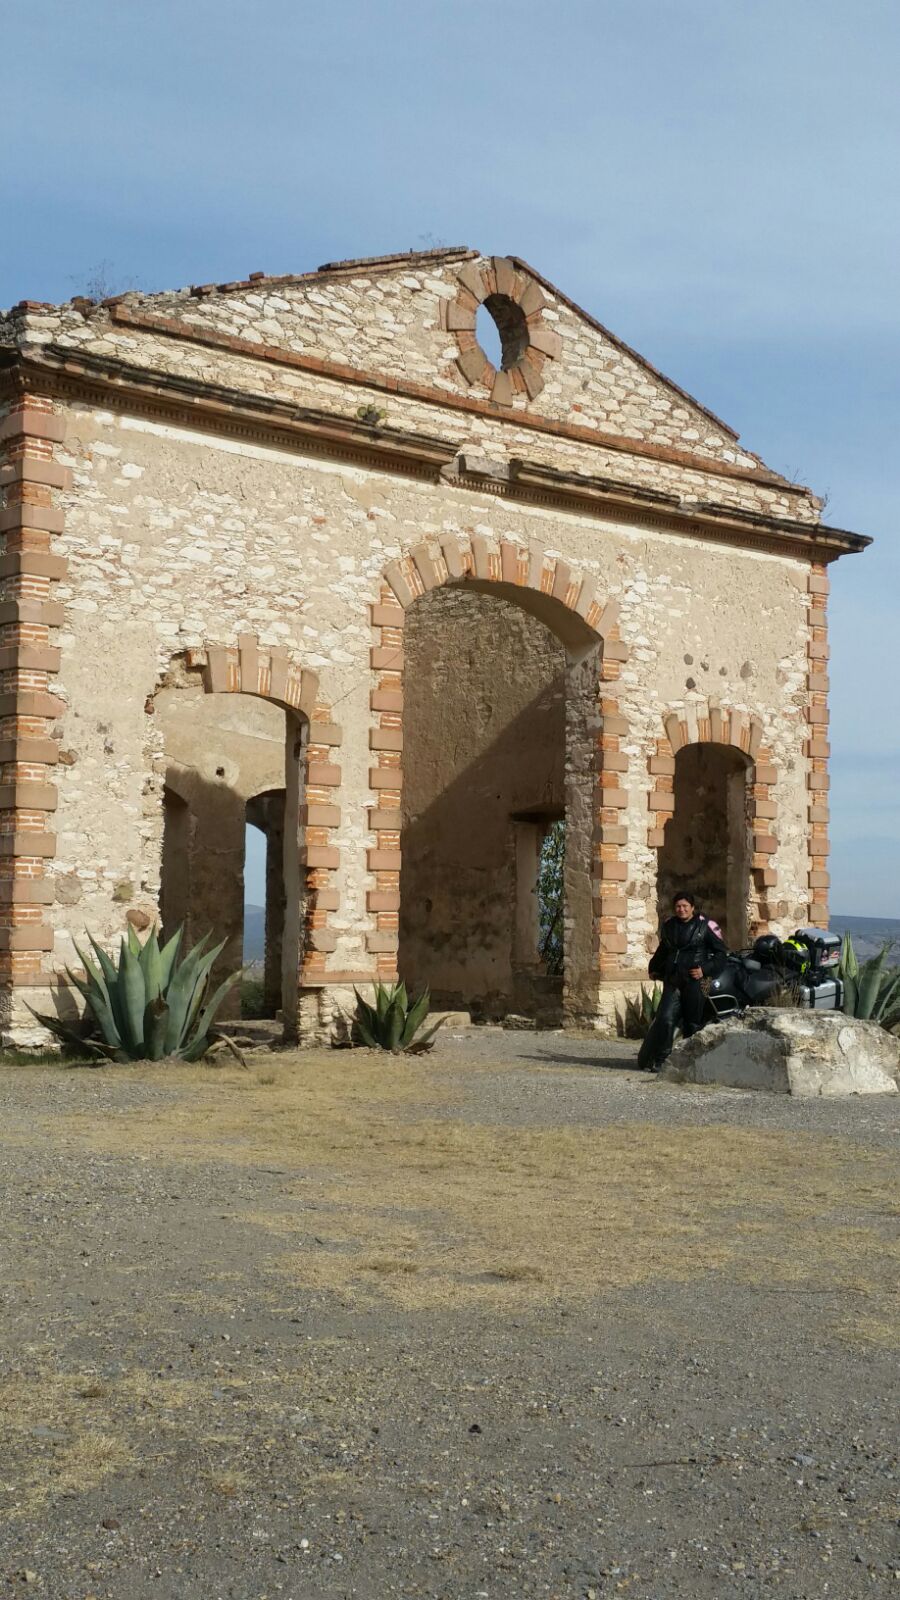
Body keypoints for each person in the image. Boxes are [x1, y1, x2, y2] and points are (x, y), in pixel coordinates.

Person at [643, 889, 727, 1070]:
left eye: (685, 906)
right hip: (673, 979)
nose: (681, 910)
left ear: (692, 908)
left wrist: (704, 970)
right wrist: (653, 968)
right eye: (678, 906)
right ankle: (662, 1060)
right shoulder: (669, 926)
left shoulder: (706, 926)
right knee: (665, 1018)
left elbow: (721, 954)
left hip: (698, 981)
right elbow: (663, 951)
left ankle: (691, 1062)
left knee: (693, 1022)